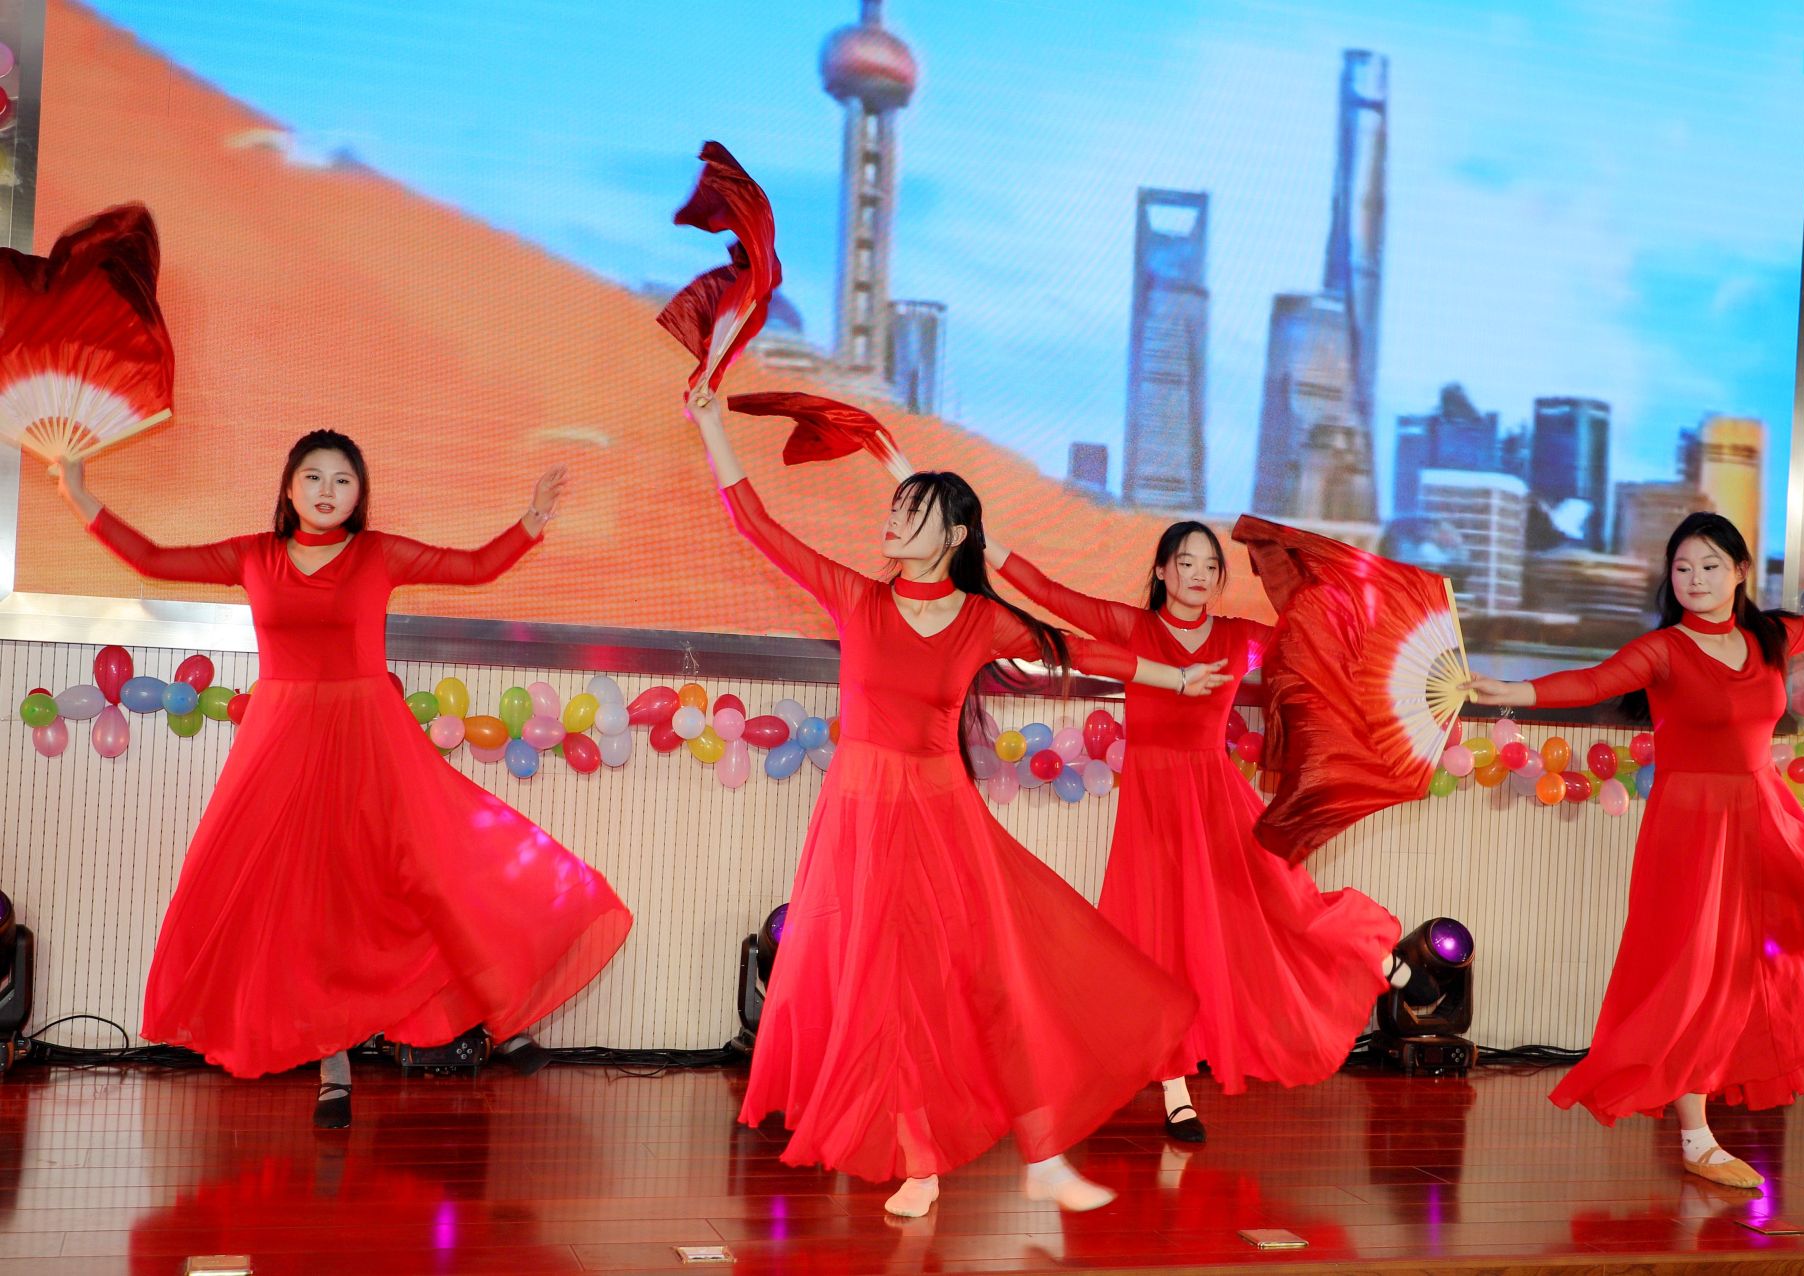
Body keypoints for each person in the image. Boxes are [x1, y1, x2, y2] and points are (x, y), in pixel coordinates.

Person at [683, 392, 1223, 1218]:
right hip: (860, 819)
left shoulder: (980, 618)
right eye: (896, 507)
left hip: (941, 820)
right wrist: (712, 424)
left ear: (956, 535)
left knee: (957, 982)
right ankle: (915, 1152)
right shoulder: (856, 597)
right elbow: (757, 524)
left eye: (914, 510)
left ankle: (994, 1150)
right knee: (873, 983)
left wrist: (1175, 676)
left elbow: (1078, 650)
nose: (894, 518)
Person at [58, 432, 632, 1128]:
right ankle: (333, 1065)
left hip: (368, 735)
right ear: (289, 487)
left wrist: (532, 518)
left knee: (426, 872)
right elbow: (152, 558)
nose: (327, 491)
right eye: (313, 477)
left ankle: (498, 1011)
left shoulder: (377, 554)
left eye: (342, 480)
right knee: (301, 899)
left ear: (359, 494)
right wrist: (79, 494)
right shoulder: (253, 556)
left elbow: (476, 566)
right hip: (282, 742)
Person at [1463, 512, 1804, 1189]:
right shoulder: (1664, 649)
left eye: (1710, 565)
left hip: (1766, 815)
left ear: (1740, 571)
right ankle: (1696, 1137)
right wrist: (1516, 692)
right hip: (1690, 830)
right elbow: (1595, 681)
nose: (1695, 579)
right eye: (1682, 568)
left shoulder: (1768, 637)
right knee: (1696, 972)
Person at [986, 522, 1418, 1142]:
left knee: (1280, 893)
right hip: (1153, 810)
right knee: (1158, 943)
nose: (1198, 574)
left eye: (1210, 566)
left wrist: (1367, 613)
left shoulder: (1239, 637)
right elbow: (1049, 592)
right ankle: (1176, 1091)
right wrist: (983, 542)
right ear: (1163, 571)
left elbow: (1318, 640)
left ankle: (1363, 950)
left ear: (1219, 579)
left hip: (1214, 795)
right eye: (1185, 562)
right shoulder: (1133, 628)